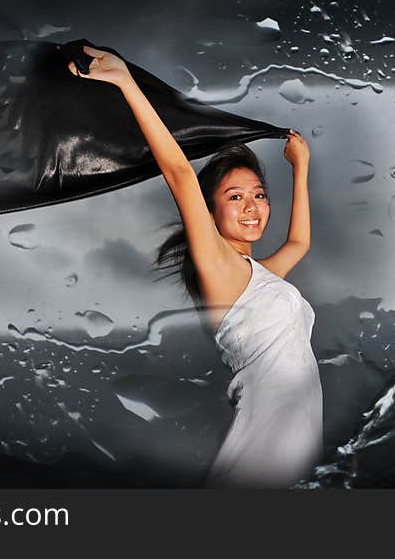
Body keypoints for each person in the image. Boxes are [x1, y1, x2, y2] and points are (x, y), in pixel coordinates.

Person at [68, 46, 323, 488]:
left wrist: (300, 168)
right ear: (211, 213)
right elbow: (180, 174)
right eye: (235, 197)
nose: (252, 207)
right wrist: (127, 82)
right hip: (266, 447)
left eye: (259, 194)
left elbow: (298, 242)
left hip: (294, 444)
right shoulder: (219, 267)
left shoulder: (255, 276)